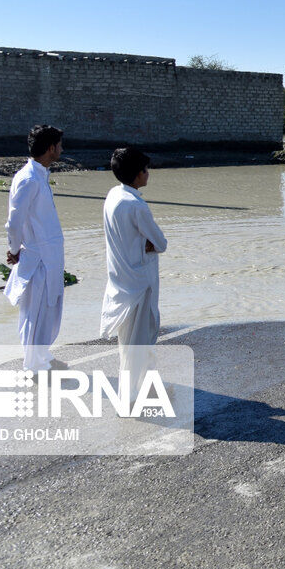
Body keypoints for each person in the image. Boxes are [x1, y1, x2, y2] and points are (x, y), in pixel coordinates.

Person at [100, 147, 168, 400]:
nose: (148, 174)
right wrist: (148, 243)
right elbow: (161, 243)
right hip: (141, 281)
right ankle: (131, 397)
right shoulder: (136, 205)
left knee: (129, 341)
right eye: (146, 170)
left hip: (121, 278)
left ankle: (147, 387)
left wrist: (144, 242)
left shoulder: (113, 196)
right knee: (141, 340)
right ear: (138, 174)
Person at [4, 125, 67, 371]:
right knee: (35, 312)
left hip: (49, 256)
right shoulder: (29, 179)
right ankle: (33, 364)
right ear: (51, 148)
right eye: (60, 145)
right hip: (37, 256)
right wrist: (14, 248)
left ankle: (41, 355)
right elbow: (14, 221)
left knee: (49, 309)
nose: (62, 149)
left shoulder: (40, 175)